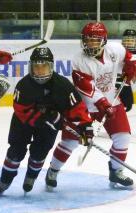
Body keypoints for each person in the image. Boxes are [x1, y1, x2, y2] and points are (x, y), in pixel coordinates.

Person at [46, 22, 136, 191]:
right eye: (88, 40)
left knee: (123, 137)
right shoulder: (78, 60)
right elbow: (87, 87)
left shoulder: (115, 50)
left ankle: (116, 172)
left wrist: (132, 66)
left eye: (95, 40)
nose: (91, 44)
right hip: (83, 107)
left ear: (104, 40)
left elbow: (130, 57)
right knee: (69, 142)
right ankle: (53, 170)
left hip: (112, 102)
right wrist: (102, 104)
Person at [0, 47, 93, 194]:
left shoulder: (63, 86)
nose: (40, 71)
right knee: (16, 151)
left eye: (44, 67)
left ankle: (31, 177)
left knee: (40, 153)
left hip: (49, 126)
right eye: (36, 67)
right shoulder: (24, 85)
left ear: (51, 67)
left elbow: (77, 108)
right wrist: (47, 118)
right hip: (23, 123)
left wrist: (86, 128)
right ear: (30, 67)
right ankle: (5, 180)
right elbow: (22, 112)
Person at [116, 29, 136, 112]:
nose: (128, 42)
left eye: (131, 40)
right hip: (117, 85)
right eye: (127, 40)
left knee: (128, 106)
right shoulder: (118, 52)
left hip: (127, 85)